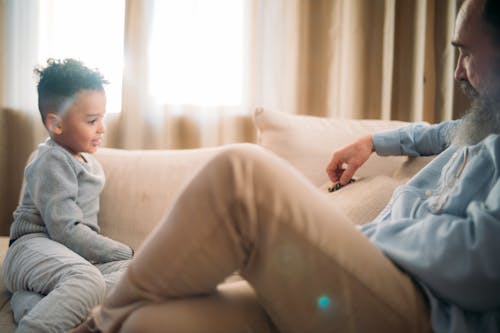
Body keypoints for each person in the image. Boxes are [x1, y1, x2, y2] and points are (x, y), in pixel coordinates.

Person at [73, 0, 500, 332]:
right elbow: (438, 132)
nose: (458, 72)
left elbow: (483, 256)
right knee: (146, 326)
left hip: (422, 309)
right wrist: (371, 141)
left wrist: (363, 243)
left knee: (242, 173)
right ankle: (116, 320)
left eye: (466, 53)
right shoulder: (478, 129)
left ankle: (99, 321)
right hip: (363, 289)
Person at [3, 59, 134, 332]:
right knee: (88, 280)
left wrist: (133, 261)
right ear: (56, 124)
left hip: (68, 262)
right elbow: (66, 230)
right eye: (92, 120)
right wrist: (126, 250)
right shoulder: (53, 159)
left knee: (136, 275)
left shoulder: (90, 164)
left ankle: (30, 303)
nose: (102, 127)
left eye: (102, 117)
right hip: (31, 249)